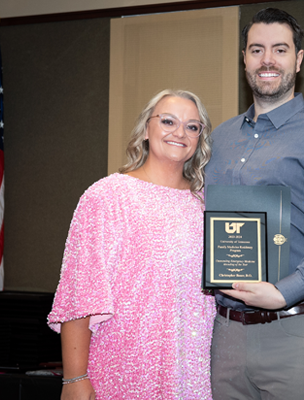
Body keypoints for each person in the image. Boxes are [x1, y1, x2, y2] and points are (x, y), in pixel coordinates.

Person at [205, 8, 304, 400]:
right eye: (256, 50)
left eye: (280, 49)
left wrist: (284, 291)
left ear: (299, 58)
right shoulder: (219, 139)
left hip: (298, 334)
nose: (267, 60)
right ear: (244, 58)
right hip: (226, 335)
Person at [48, 89, 215, 399]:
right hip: (123, 369)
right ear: (146, 129)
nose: (180, 132)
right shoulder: (107, 197)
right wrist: (74, 378)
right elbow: (79, 292)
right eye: (168, 121)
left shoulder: (208, 205)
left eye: (193, 126)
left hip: (194, 373)